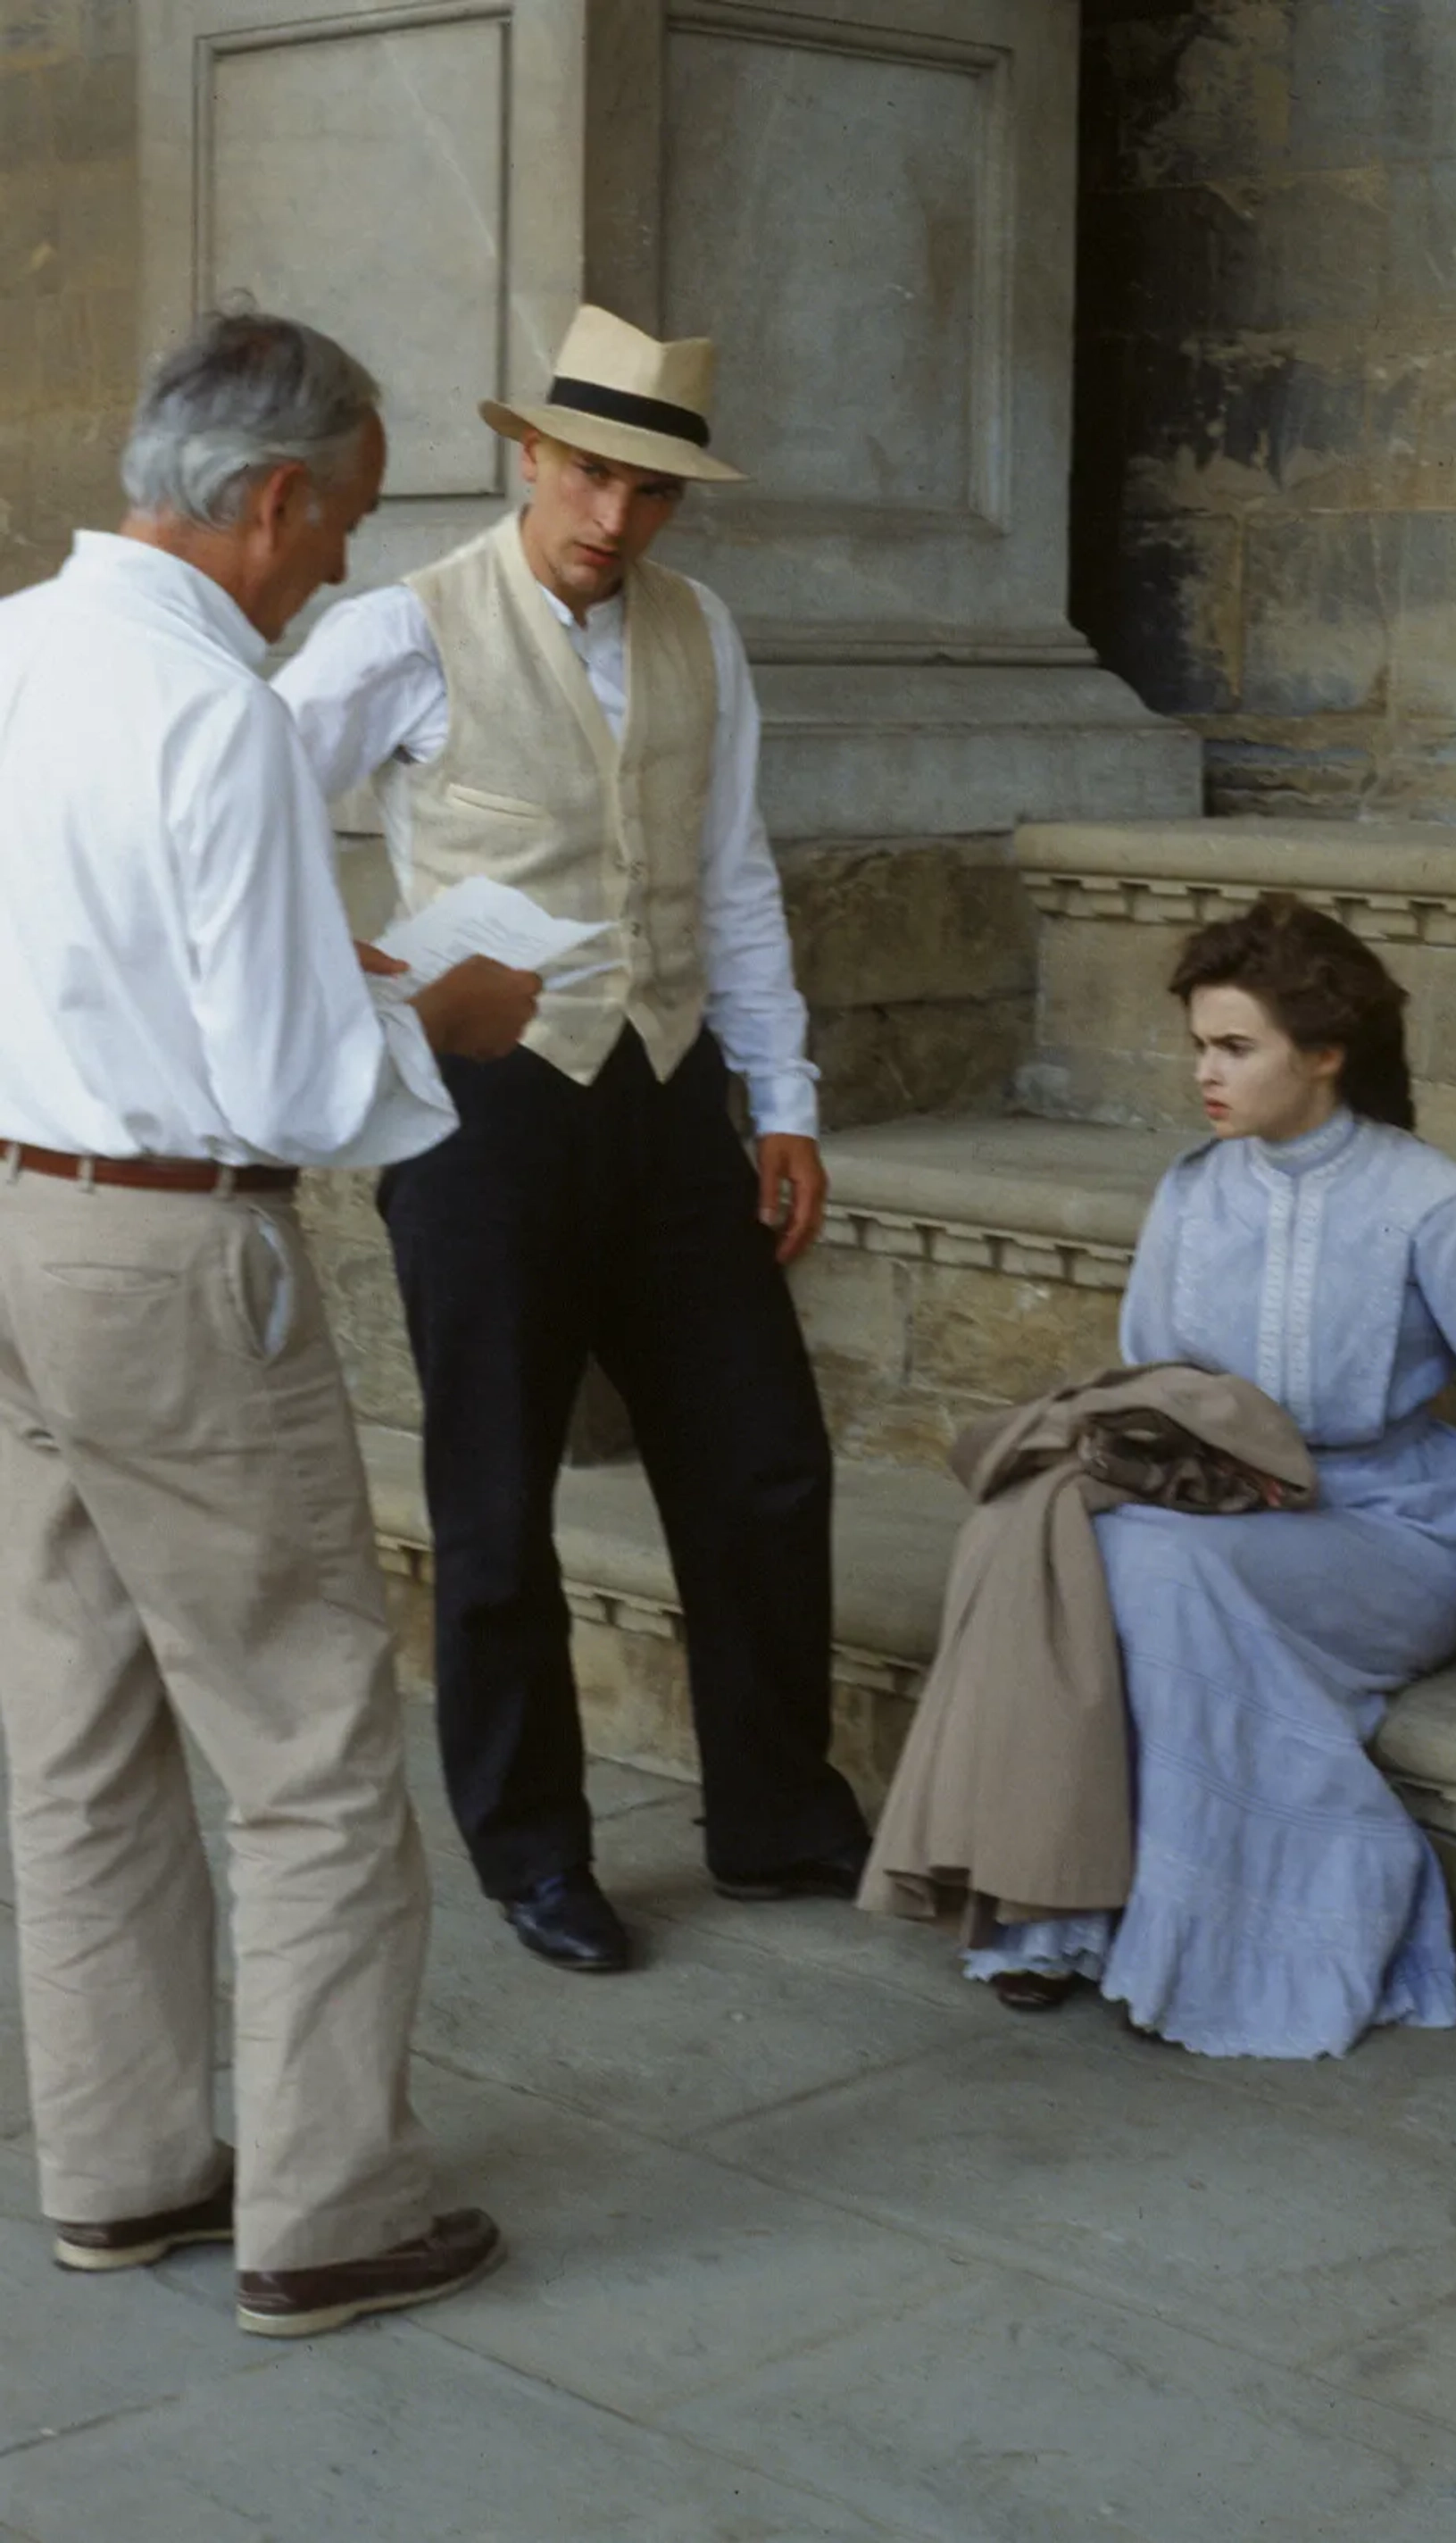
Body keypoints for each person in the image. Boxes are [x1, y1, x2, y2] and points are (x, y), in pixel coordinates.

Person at [0, 309, 544, 2333]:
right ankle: (326, 2213)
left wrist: (330, 973)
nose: (344, 570)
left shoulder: (13, 651)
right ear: (274, 499)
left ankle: (124, 2167)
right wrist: (448, 1018)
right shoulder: (213, 711)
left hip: (17, 1214)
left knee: (75, 1731)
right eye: (347, 524)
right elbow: (295, 1092)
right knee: (309, 1739)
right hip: (164, 1254)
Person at [274, 304, 869, 1976]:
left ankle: (774, 1816)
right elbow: (235, 819)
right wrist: (368, 991)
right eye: (592, 473)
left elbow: (735, 878)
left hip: (674, 1096)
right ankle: (532, 1850)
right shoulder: (402, 630)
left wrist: (788, 1098)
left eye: (652, 491)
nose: (615, 518)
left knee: (761, 1460)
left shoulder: (703, 634)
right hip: (487, 1117)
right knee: (494, 1495)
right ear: (530, 453)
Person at [955, 894, 1456, 2057]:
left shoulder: (1434, 1202)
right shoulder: (1193, 1190)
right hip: (1227, 1507)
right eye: (1197, 1047)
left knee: (1162, 1579)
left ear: (1325, 1055)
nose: (1205, 1076)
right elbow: (1155, 1384)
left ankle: (1220, 1934)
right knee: (1077, 1549)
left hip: (1391, 1526)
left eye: (1236, 1048)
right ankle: (1058, 1909)